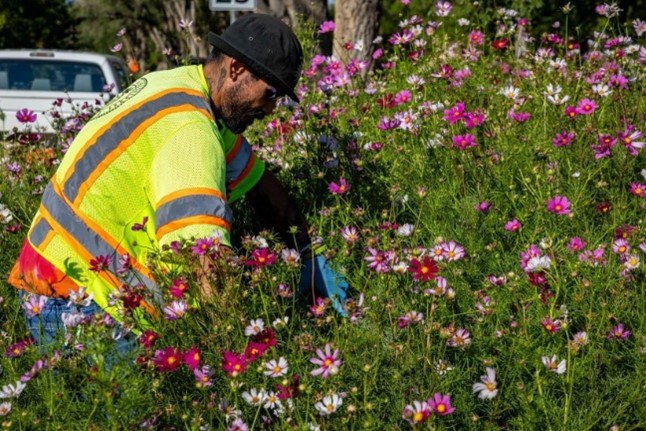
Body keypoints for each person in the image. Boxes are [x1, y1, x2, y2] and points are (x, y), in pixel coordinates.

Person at [8, 13, 348, 347]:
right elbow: (205, 265)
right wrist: (247, 355)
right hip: (78, 298)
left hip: (51, 271)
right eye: (271, 93)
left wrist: (306, 251)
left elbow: (262, 187)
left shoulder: (181, 86)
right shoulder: (191, 134)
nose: (271, 110)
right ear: (237, 70)